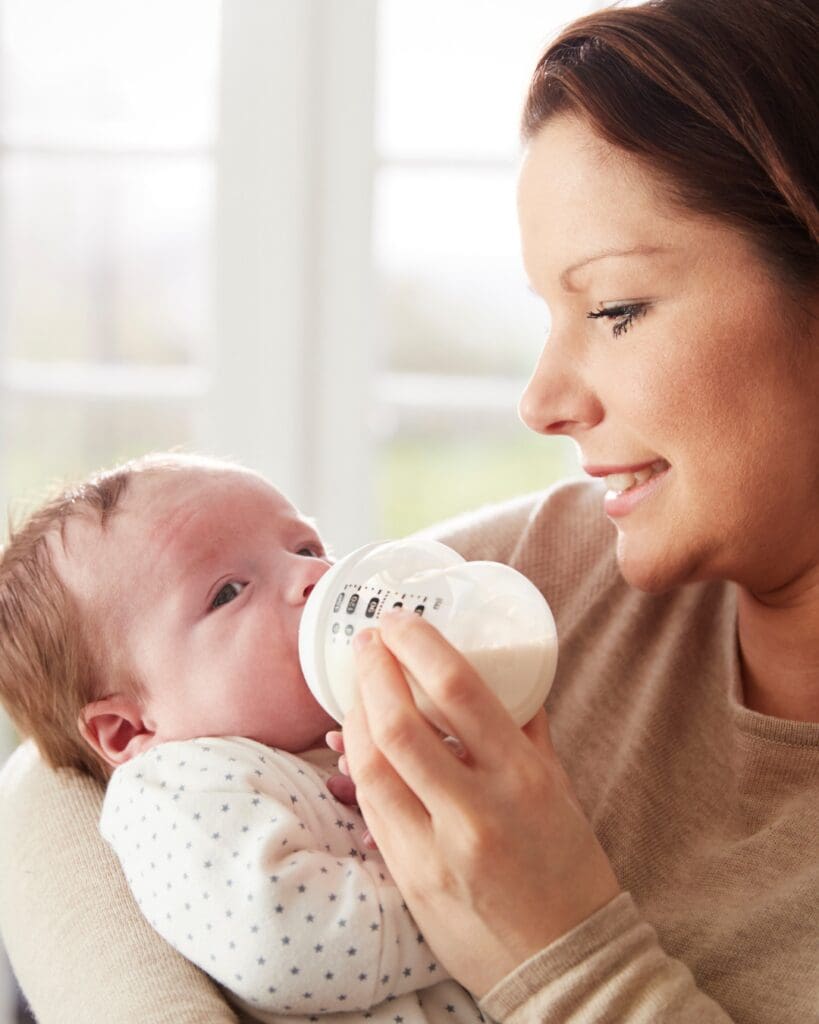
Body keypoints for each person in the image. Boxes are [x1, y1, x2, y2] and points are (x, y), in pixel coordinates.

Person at [0, 0, 816, 1021]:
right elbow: (51, 787)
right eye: (547, 314)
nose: (543, 399)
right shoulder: (552, 571)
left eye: (614, 309)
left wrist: (563, 948)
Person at [0, 452, 486, 1024]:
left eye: (304, 548)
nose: (315, 576)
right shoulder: (174, 787)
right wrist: (472, 906)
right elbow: (281, 939)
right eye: (229, 592)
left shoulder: (370, 726)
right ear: (131, 728)